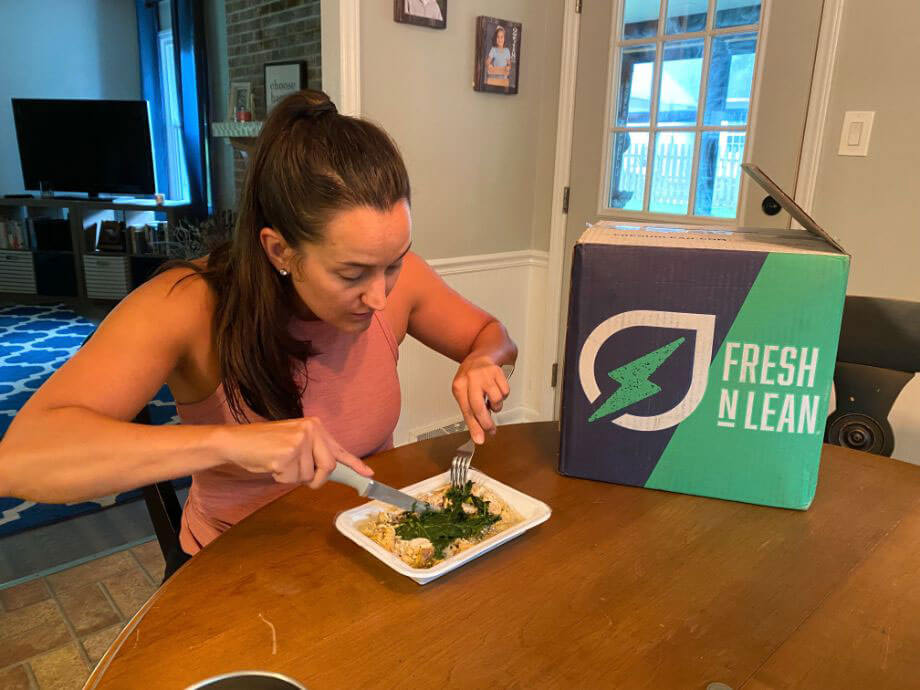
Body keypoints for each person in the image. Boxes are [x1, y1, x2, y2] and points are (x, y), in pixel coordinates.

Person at [0, 90, 517, 580]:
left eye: (394, 264)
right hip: (235, 569)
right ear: (280, 251)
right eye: (351, 273)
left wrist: (482, 359)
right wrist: (229, 443)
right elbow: (21, 460)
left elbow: (492, 336)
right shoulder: (185, 304)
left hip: (370, 546)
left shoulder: (395, 283)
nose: (380, 296)